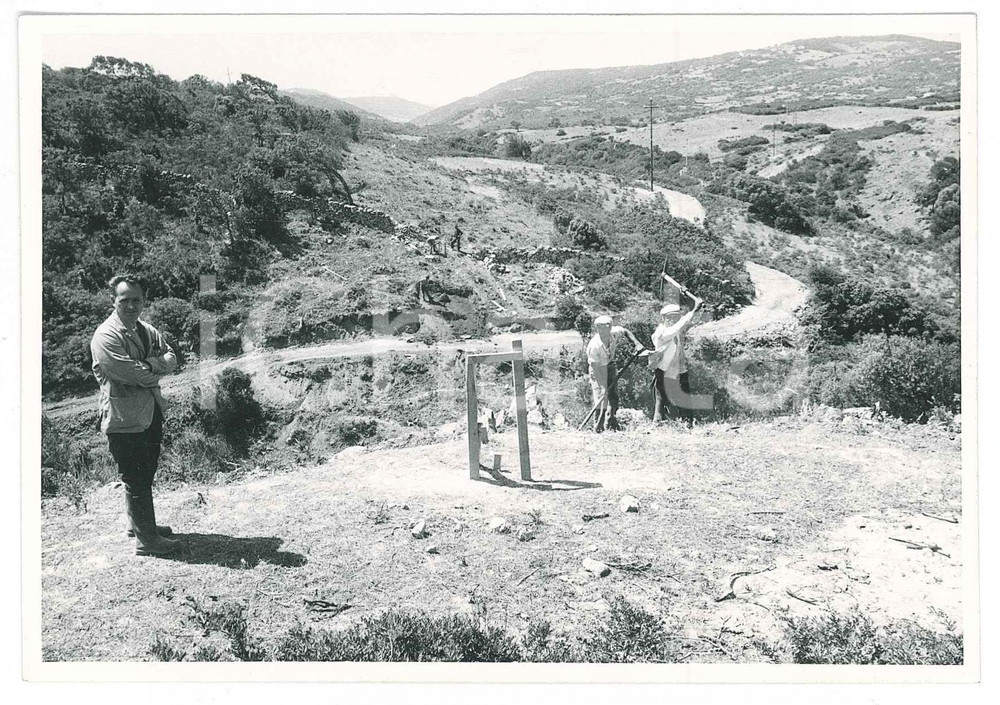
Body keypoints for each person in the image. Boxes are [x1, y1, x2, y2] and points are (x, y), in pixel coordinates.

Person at [91, 275, 181, 556]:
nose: (131, 305)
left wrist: (149, 365)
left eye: (136, 300)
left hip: (150, 411)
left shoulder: (146, 330)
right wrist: (152, 370)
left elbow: (171, 358)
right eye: (124, 300)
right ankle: (147, 540)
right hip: (124, 417)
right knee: (136, 475)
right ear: (113, 301)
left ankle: (139, 526)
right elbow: (131, 373)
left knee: (147, 470)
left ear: (144, 301)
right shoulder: (105, 336)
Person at [650, 290, 702, 424]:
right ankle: (658, 424)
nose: (673, 320)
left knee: (684, 397)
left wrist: (691, 302)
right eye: (670, 317)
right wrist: (694, 309)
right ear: (664, 318)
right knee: (662, 399)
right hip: (664, 371)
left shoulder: (676, 330)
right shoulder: (661, 332)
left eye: (676, 317)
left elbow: (686, 322)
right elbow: (680, 325)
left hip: (679, 369)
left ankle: (688, 423)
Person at [586, 315, 646, 432]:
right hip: (597, 370)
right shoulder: (594, 345)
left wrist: (636, 343)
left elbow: (626, 331)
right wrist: (603, 387)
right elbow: (595, 367)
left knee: (613, 396)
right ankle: (598, 428)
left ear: (610, 328)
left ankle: (611, 423)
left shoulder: (614, 332)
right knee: (600, 398)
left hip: (610, 366)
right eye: (599, 328)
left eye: (605, 328)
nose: (602, 331)